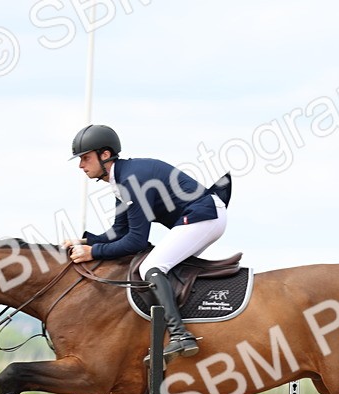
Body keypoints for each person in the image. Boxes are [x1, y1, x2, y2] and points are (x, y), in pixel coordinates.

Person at [63, 124, 230, 362]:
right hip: (200, 216)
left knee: (151, 267)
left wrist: (94, 252)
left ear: (105, 155)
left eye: (85, 158)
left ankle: (181, 335)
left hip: (205, 216)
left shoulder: (131, 180)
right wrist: (86, 240)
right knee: (160, 265)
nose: (81, 165)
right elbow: (120, 231)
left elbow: (136, 241)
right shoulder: (121, 180)